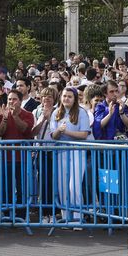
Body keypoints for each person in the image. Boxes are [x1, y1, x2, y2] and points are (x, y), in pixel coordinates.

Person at [49, 87, 92, 226]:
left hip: (77, 151)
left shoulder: (82, 112)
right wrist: (58, 131)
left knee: (74, 186)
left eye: (69, 96)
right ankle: (66, 217)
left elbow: (84, 134)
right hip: (61, 152)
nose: (66, 98)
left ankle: (77, 217)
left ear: (74, 99)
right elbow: (53, 136)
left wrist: (66, 131)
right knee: (62, 186)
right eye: (64, 96)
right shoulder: (56, 112)